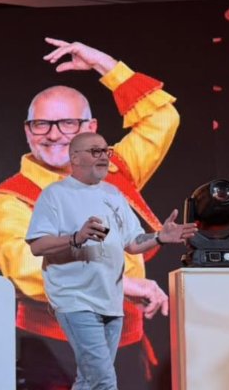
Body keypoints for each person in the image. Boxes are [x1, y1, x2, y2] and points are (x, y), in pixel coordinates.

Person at [0, 38, 180, 388]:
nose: (54, 135)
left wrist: (104, 65)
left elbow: (162, 118)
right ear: (27, 131)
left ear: (90, 128)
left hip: (126, 346)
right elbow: (29, 268)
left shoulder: (114, 169)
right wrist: (120, 284)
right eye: (41, 124)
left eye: (68, 123)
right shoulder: (8, 200)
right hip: (53, 351)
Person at [25, 132, 196, 389]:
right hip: (76, 300)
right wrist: (76, 237)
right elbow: (37, 245)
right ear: (75, 158)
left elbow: (133, 243)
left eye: (106, 151)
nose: (104, 157)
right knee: (104, 380)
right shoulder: (55, 195)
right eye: (95, 151)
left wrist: (160, 237)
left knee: (89, 380)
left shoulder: (114, 194)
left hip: (111, 303)